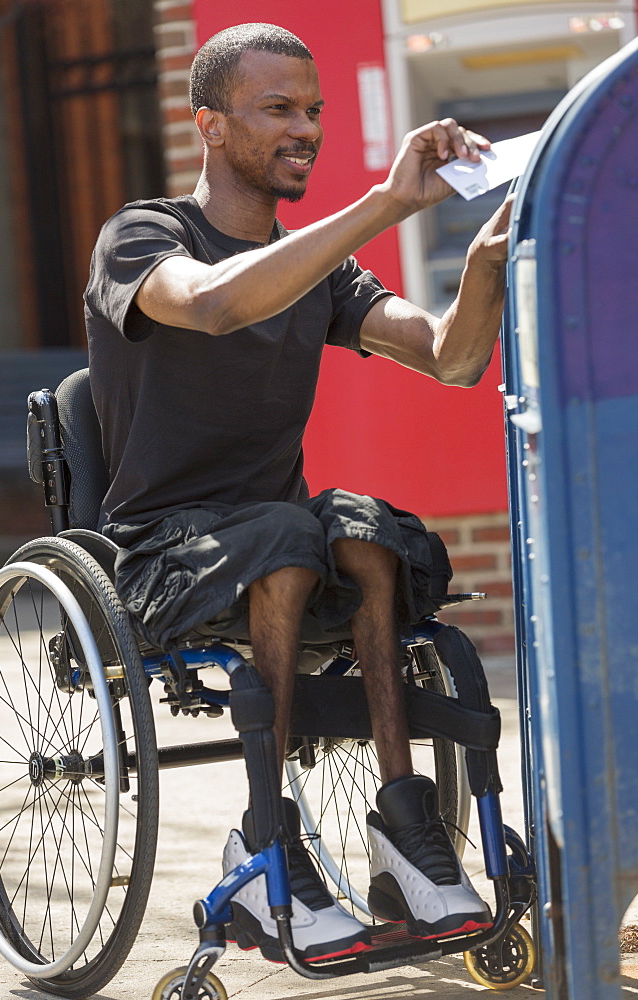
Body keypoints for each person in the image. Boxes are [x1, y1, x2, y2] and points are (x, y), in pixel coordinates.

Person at [85, 22, 510, 964]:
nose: (306, 127)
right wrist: (385, 202)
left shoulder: (321, 269)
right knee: (285, 530)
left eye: (314, 110)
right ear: (209, 123)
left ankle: (405, 829)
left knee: (365, 527)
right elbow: (215, 302)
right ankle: (263, 835)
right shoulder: (143, 236)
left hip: (281, 545)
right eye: (278, 108)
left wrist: (483, 257)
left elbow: (453, 356)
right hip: (162, 551)